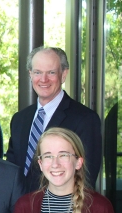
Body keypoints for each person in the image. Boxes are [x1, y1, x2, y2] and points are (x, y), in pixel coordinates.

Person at [6, 46, 102, 191]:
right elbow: (11, 170)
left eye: (51, 72)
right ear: (30, 74)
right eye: (37, 72)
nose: (43, 79)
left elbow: (86, 178)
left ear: (63, 75)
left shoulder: (85, 119)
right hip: (19, 209)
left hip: (58, 210)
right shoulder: (20, 119)